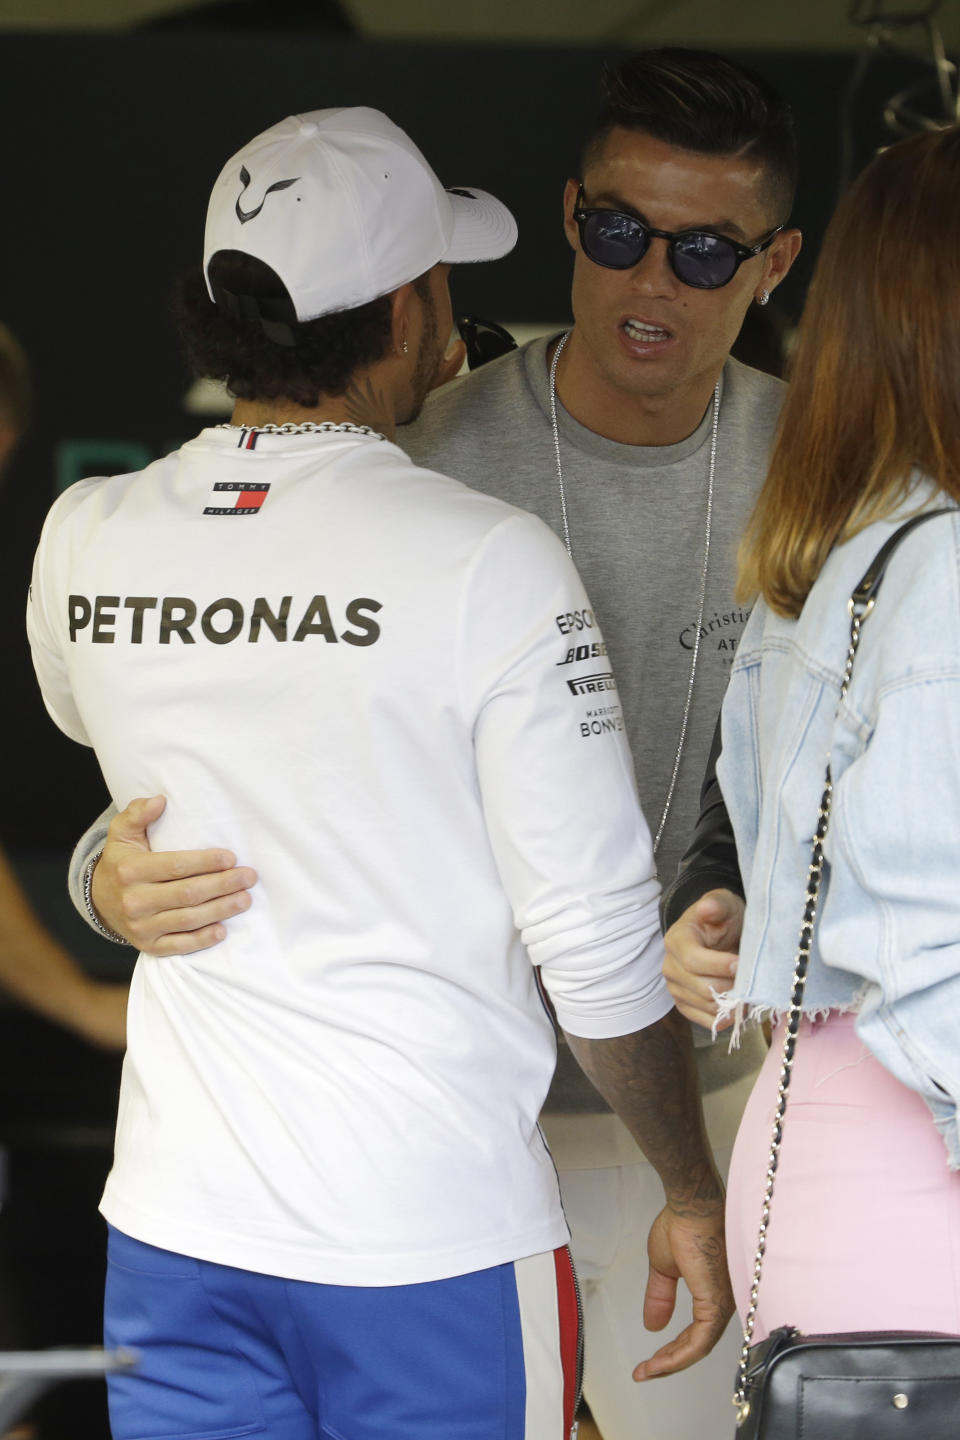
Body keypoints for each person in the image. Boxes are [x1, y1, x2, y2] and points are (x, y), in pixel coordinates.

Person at [65, 49, 801, 1439]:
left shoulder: (822, 465)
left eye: (705, 253)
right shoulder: (417, 461)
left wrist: (740, 897)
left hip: (702, 1094)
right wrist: (105, 863)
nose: (652, 280)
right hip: (465, 1144)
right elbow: (214, 736)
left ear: (777, 265)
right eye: (620, 233)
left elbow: (869, 782)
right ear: (571, 214)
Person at [668, 123, 960, 1339]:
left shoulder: (840, 549)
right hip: (920, 1186)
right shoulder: (942, 567)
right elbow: (935, 945)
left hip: (834, 1159)